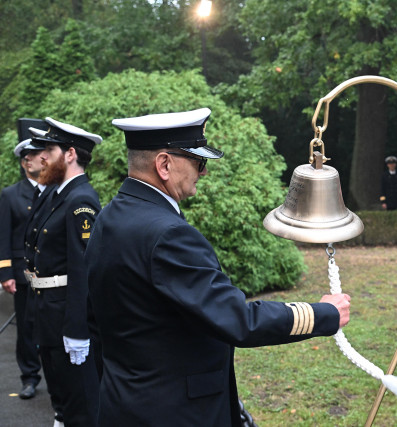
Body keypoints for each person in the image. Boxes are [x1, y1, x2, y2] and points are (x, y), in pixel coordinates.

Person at [84, 108, 351, 425]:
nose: (203, 172)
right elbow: (238, 320)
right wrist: (322, 314)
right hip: (175, 413)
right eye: (199, 162)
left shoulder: (110, 217)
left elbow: (97, 322)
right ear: (164, 164)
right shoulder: (168, 234)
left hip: (124, 404)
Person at [24, 117, 102, 426]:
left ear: (70, 154)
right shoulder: (57, 194)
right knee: (65, 402)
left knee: (81, 403)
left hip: (68, 320)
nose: (41, 156)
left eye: (50, 149)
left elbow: (83, 269)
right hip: (50, 312)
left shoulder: (81, 199)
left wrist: (77, 330)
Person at [0, 137, 45, 399]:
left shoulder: (54, 190)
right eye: (26, 157)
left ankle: (57, 375)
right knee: (26, 328)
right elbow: (3, 237)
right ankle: (29, 377)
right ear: (23, 163)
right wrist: (5, 273)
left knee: (51, 325)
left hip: (49, 271)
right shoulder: (10, 194)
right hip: (21, 272)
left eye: (35, 155)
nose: (30, 160)